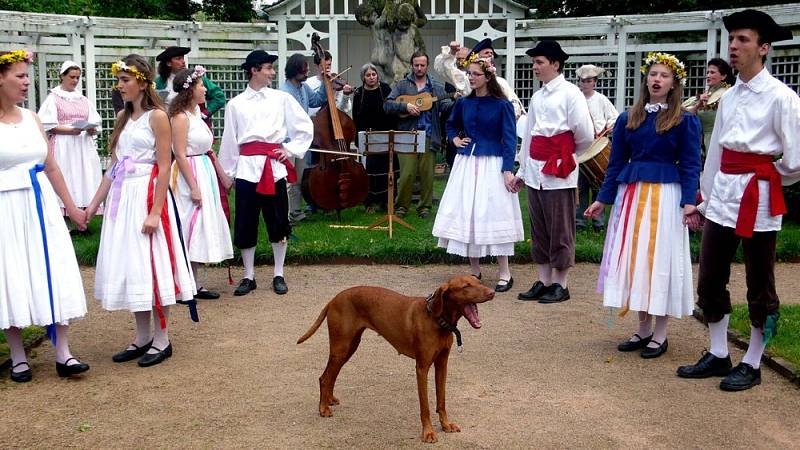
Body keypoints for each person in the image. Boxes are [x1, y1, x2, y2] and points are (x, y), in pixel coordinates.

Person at [677, 9, 800, 391]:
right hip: (723, 197)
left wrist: (767, 180)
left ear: (763, 48)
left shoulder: (782, 97)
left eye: (743, 40)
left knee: (759, 281)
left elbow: (796, 160)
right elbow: (715, 153)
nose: (733, 46)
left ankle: (753, 360)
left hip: (758, 199)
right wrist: (705, 198)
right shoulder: (728, 98)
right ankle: (718, 352)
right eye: (731, 40)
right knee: (710, 276)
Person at [585, 52, 702, 359]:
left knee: (659, 260)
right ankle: (643, 328)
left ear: (674, 82)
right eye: (653, 74)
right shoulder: (628, 117)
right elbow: (615, 164)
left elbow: (691, 165)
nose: (656, 79)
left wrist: (690, 203)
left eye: (663, 75)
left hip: (665, 198)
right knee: (635, 260)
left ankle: (660, 333)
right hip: (632, 196)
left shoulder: (685, 120)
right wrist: (602, 200)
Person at [85, 54, 196, 367]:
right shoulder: (124, 118)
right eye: (118, 80)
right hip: (124, 199)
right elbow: (114, 168)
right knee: (133, 266)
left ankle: (163, 337)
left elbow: (164, 166)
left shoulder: (157, 117)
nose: (120, 86)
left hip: (147, 196)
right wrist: (92, 207)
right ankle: (142, 335)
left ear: (143, 82)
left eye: (125, 80)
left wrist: (155, 211)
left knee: (153, 264)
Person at [1, 50, 90, 382]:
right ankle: (18, 355)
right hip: (5, 209)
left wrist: (74, 207)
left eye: (27, 76)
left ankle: (63, 352)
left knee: (52, 267)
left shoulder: (32, 118)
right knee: (10, 273)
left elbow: (51, 166)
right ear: (0, 78)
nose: (27, 82)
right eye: (20, 76)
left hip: (41, 206)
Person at [219, 50, 314, 297]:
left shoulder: (281, 99)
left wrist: (289, 149)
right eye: (268, 68)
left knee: (279, 222)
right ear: (254, 70)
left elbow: (304, 127)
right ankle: (248, 275)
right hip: (247, 170)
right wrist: (227, 174)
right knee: (245, 223)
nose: (273, 72)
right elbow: (230, 141)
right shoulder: (235, 104)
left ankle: (278, 273)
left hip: (274, 169)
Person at [433, 54, 523, 292]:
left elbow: (510, 140)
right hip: (467, 162)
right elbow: (451, 124)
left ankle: (505, 273)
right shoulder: (464, 103)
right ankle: (474, 270)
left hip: (492, 164)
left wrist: (507, 170)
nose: (470, 78)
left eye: (475, 74)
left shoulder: (503, 105)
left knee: (494, 212)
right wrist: (454, 139)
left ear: (488, 77)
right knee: (468, 211)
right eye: (469, 74)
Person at [513, 40, 594, 304]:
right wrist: (523, 171)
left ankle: (561, 283)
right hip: (536, 169)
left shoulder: (571, 94)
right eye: (534, 62)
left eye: (539, 62)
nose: (535, 67)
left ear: (555, 64)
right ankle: (544, 279)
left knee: (560, 227)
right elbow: (529, 135)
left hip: (559, 169)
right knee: (540, 227)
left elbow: (584, 134)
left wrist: (564, 152)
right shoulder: (537, 97)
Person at [169, 65, 234, 300]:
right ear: (189, 90)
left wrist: (222, 176)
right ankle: (179, 285)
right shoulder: (180, 117)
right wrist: (194, 186)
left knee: (201, 227)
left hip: (204, 170)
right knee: (188, 225)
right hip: (189, 174)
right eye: (200, 85)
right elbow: (179, 153)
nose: (205, 89)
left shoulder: (197, 114)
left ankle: (194, 283)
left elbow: (208, 149)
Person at [384, 51, 453, 219]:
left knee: (427, 174)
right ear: (412, 66)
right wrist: (405, 107)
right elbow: (387, 104)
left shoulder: (435, 86)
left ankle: (425, 207)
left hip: (429, 134)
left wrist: (456, 100)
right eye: (416, 65)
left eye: (422, 65)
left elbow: (445, 107)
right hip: (407, 134)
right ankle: (401, 206)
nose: (419, 68)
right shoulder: (402, 85)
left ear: (427, 66)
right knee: (407, 173)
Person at [38, 60, 103, 223]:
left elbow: (94, 120)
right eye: (71, 77)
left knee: (82, 175)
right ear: (62, 76)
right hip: (63, 145)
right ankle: (64, 216)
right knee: (66, 174)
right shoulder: (53, 98)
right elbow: (47, 125)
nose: (74, 80)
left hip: (81, 145)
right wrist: (70, 130)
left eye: (77, 77)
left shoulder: (82, 99)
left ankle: (83, 216)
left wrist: (91, 129)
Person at [280, 53, 326, 223]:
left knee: (298, 178)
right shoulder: (284, 93)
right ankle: (286, 213)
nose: (307, 73)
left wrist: (324, 82)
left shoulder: (303, 87)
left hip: (301, 141)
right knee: (288, 180)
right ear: (295, 70)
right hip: (288, 142)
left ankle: (296, 211)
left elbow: (317, 100)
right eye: (304, 70)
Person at [574, 64, 619, 232]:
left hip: (597, 145)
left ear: (595, 82)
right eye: (583, 81)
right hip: (580, 148)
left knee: (598, 186)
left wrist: (605, 129)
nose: (585, 84)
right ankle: (580, 222)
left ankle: (598, 223)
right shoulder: (575, 99)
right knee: (581, 186)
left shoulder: (601, 99)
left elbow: (614, 118)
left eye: (589, 81)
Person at [351, 63, 398, 213]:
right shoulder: (358, 93)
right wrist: (360, 139)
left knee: (387, 170)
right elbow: (355, 118)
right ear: (363, 78)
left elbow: (392, 110)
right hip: (368, 137)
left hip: (386, 135)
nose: (371, 77)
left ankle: (386, 201)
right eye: (368, 75)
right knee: (369, 171)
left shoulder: (386, 89)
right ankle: (369, 203)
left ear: (377, 75)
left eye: (374, 74)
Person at [154, 46, 226, 128]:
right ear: (168, 63)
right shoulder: (158, 83)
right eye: (178, 59)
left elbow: (219, 96)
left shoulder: (197, 79)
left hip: (195, 125)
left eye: (183, 58)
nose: (183, 61)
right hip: (169, 126)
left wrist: (205, 113)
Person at [684, 58, 735, 155]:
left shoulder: (729, 94)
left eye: (712, 72)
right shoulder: (706, 95)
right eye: (707, 72)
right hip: (703, 142)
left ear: (723, 76)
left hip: (722, 141)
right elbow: (684, 113)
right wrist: (698, 104)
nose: (708, 75)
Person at [469, 38, 524, 119]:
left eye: (491, 53)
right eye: (486, 53)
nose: (490, 54)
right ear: (477, 57)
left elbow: (514, 104)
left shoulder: (500, 81)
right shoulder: (469, 80)